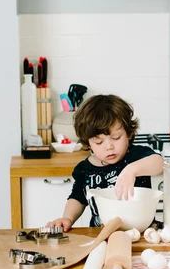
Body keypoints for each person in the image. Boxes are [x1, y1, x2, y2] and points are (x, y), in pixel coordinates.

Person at [47, 94, 163, 232]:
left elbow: (159, 163)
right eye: (99, 142)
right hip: (102, 235)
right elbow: (78, 198)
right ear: (88, 143)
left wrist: (132, 170)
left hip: (143, 234)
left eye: (116, 138)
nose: (109, 147)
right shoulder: (85, 169)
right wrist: (67, 218)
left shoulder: (136, 156)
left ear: (129, 133)